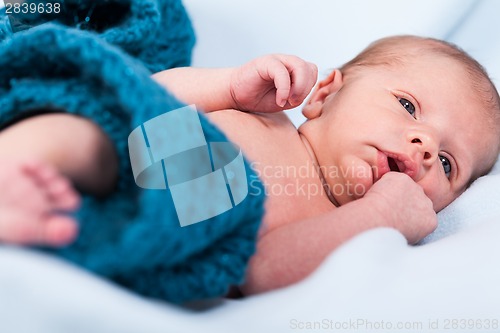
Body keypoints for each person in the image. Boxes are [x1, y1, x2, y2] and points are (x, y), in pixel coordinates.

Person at [0, 35, 499, 295]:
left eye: (450, 164)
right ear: (325, 93)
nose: (425, 146)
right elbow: (152, 93)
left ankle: (33, 207)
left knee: (191, 195)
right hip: (138, 143)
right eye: (409, 107)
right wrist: (226, 87)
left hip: (167, 222)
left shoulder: (333, 225)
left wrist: (380, 217)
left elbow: (260, 271)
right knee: (90, 132)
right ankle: (14, 165)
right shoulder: (263, 114)